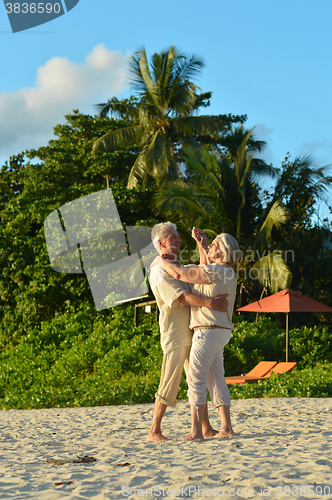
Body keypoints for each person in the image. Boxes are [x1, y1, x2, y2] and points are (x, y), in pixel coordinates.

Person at [153, 227, 240, 441]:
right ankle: (225, 428)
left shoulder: (214, 271)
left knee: (195, 379)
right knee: (217, 378)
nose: (210, 246)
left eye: (214, 244)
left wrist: (159, 261)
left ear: (223, 252)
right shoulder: (226, 271)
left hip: (207, 332)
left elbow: (184, 275)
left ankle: (196, 431)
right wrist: (202, 245)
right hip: (220, 332)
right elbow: (204, 267)